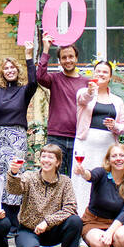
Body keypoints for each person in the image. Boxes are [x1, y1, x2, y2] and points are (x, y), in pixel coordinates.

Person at [0, 40, 38, 237]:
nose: (9, 70)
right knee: (0, 176)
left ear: (18, 70)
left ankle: (16, 222)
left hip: (17, 136)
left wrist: (28, 56)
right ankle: (3, 219)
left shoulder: (24, 90)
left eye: (12, 67)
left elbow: (34, 82)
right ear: (3, 72)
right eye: (6, 68)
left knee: (15, 175)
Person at [7, 144, 82, 247]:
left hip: (54, 230)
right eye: (43, 156)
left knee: (75, 221)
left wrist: (47, 222)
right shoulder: (29, 176)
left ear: (57, 162)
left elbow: (70, 207)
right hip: (30, 229)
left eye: (50, 157)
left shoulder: (65, 181)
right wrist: (13, 173)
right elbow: (14, 190)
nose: (46, 160)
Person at [72, 61, 124, 219]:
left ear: (110, 77)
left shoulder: (117, 100)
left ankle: (103, 218)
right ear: (93, 74)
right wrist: (91, 91)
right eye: (98, 71)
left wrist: (115, 126)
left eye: (105, 72)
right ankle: (80, 219)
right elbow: (83, 99)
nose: (101, 74)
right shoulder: (84, 92)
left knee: (104, 181)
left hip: (107, 146)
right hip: (85, 144)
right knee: (82, 180)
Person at [73, 144, 124, 247]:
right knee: (100, 242)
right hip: (94, 221)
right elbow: (90, 176)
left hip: (118, 222)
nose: (118, 159)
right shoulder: (102, 173)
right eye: (114, 156)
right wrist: (82, 172)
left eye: (121, 155)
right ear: (108, 160)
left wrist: (110, 232)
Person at [36, 37, 90, 176]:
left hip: (78, 137)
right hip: (56, 136)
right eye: (64, 57)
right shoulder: (54, 79)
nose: (68, 60)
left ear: (76, 58)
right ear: (59, 61)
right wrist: (46, 48)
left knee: (76, 178)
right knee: (54, 177)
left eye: (71, 56)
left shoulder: (86, 83)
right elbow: (40, 76)